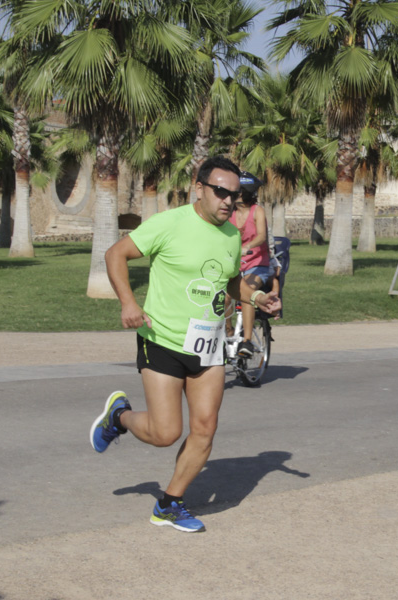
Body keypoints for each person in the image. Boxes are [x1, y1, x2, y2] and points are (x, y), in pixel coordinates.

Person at [90, 156, 281, 533]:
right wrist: (129, 302)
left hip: (208, 346)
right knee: (165, 434)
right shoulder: (170, 223)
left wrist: (256, 299)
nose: (228, 201)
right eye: (220, 192)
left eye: (235, 194)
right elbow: (116, 254)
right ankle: (120, 416)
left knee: (205, 429)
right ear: (199, 188)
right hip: (162, 340)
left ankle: (170, 504)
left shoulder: (230, 235)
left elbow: (229, 282)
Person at [229, 172, 273, 357]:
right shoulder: (229, 211)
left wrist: (247, 247)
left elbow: (261, 235)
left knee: (247, 294)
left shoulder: (257, 210)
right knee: (221, 298)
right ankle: (228, 332)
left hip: (257, 265)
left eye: (240, 191)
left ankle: (246, 341)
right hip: (234, 265)